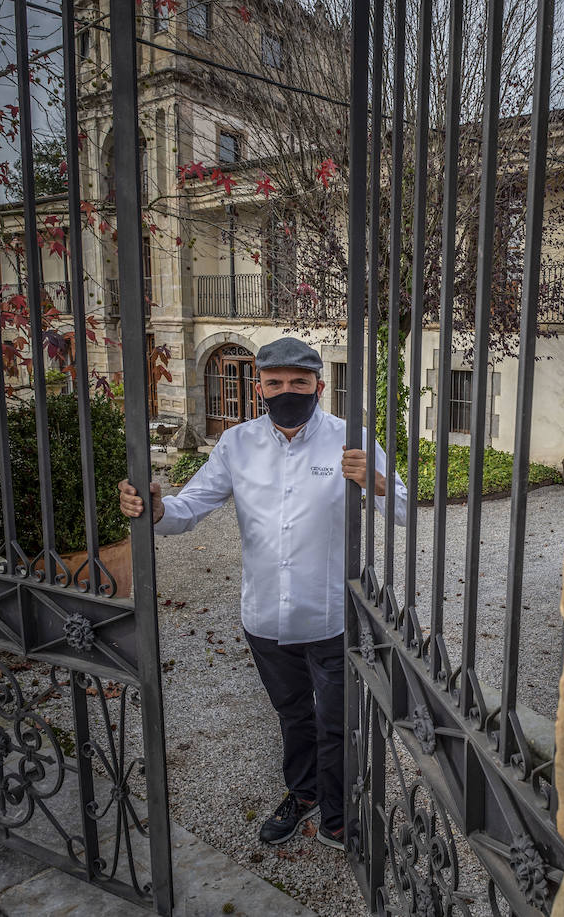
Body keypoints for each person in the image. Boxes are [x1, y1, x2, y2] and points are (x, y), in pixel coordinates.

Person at [118, 337, 407, 851]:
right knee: (293, 714)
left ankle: (338, 816)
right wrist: (158, 510)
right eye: (275, 383)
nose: (287, 390)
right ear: (259, 389)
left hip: (331, 615)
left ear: (319, 386)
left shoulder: (351, 439)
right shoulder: (237, 444)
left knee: (335, 720)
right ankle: (303, 793)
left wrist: (377, 483)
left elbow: (405, 509)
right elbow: (191, 507)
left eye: (299, 382)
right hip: (265, 617)